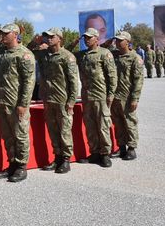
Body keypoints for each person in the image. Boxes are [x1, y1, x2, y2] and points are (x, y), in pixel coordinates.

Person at [0, 23, 35, 183]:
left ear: (15, 34)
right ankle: (12, 163)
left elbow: (29, 82)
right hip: (2, 101)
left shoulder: (24, 54)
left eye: (6, 33)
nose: (3, 36)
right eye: (2, 33)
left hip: (16, 102)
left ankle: (21, 166)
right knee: (7, 135)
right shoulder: (0, 52)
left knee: (20, 135)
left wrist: (23, 103)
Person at [35, 28, 79, 174]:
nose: (48, 39)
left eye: (51, 36)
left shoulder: (67, 56)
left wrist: (71, 101)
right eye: (46, 36)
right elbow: (27, 51)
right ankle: (58, 157)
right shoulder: (44, 55)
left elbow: (73, 81)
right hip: (48, 99)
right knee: (53, 130)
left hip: (63, 100)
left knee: (65, 130)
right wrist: (35, 41)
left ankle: (66, 159)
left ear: (59, 38)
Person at [76, 28, 117, 168]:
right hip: (87, 96)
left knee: (103, 125)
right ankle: (94, 152)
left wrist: (111, 95)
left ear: (96, 39)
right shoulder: (82, 55)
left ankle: (105, 154)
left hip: (101, 95)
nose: (86, 40)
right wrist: (74, 42)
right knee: (90, 126)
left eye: (89, 37)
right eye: (85, 38)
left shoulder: (105, 54)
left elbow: (112, 76)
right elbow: (65, 53)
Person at [109, 31, 143, 161]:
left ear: (127, 42)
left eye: (120, 40)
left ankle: (132, 148)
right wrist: (107, 43)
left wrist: (135, 98)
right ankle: (121, 147)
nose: (117, 42)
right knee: (117, 123)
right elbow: (101, 49)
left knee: (130, 122)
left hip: (127, 97)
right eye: (116, 40)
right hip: (115, 96)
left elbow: (138, 80)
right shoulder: (114, 55)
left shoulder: (135, 58)